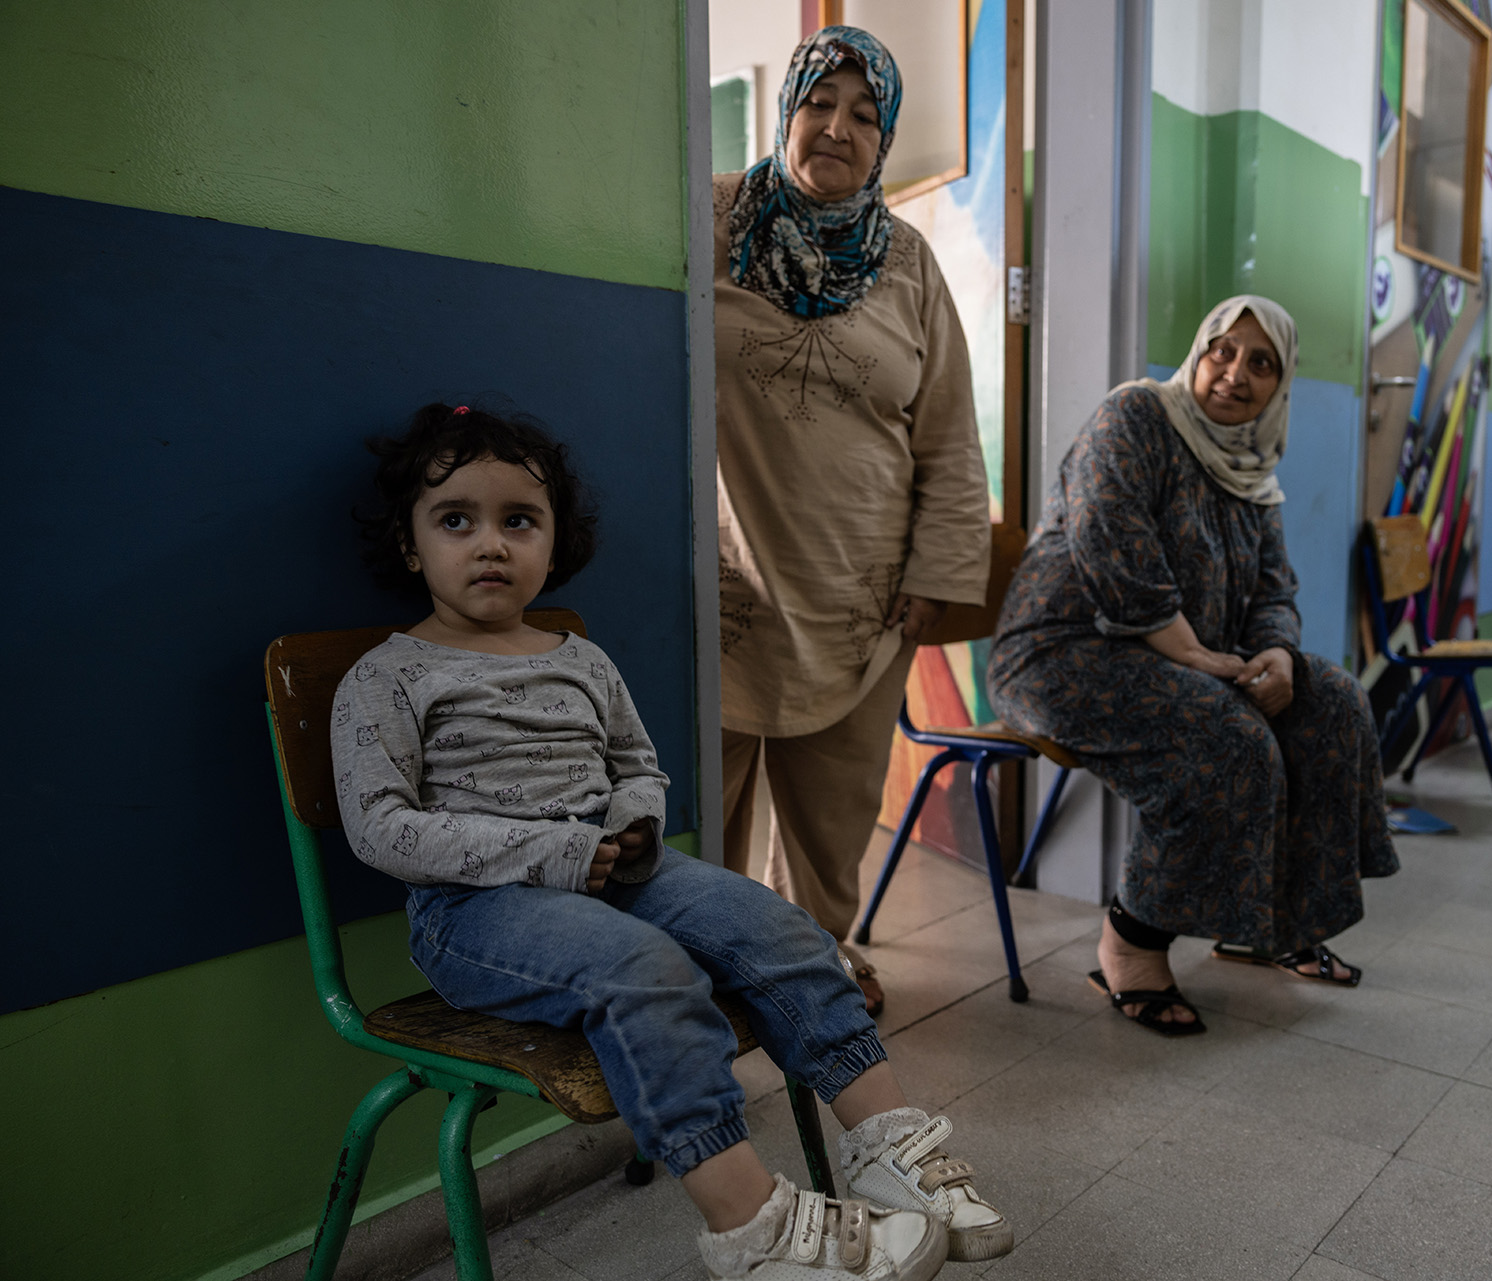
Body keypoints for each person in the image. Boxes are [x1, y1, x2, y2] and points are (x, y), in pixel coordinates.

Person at [332, 404, 1010, 1279]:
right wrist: (558, 854)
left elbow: (635, 764)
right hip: (478, 911)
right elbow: (382, 829)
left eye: (519, 521)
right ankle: (753, 1229)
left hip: (620, 869)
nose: (490, 544)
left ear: (552, 541)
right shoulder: (389, 675)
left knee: (778, 927)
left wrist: (632, 822)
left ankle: (889, 1144)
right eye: (456, 520)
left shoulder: (578, 656)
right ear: (410, 545)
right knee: (650, 971)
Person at [985, 297, 1400, 1036]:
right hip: (1064, 651)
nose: (1235, 374)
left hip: (1184, 658)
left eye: (1261, 362)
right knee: (1224, 736)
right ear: (1199, 353)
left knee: (1330, 701)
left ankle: (1277, 924)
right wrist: (1200, 656)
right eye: (1222, 351)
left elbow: (1275, 588)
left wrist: (1273, 652)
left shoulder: (1252, 468)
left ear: (1281, 384)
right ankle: (1131, 942)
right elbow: (1109, 540)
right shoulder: (1137, 416)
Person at [713, 26, 991, 1017]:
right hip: (727, 585)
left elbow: (951, 436)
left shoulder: (908, 263)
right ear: (785, 112)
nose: (836, 128)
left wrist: (935, 573)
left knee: (837, 807)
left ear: (886, 141)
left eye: (864, 115)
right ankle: (710, 963)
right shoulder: (712, 219)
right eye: (817, 104)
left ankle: (817, 949)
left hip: (859, 592)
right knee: (708, 806)